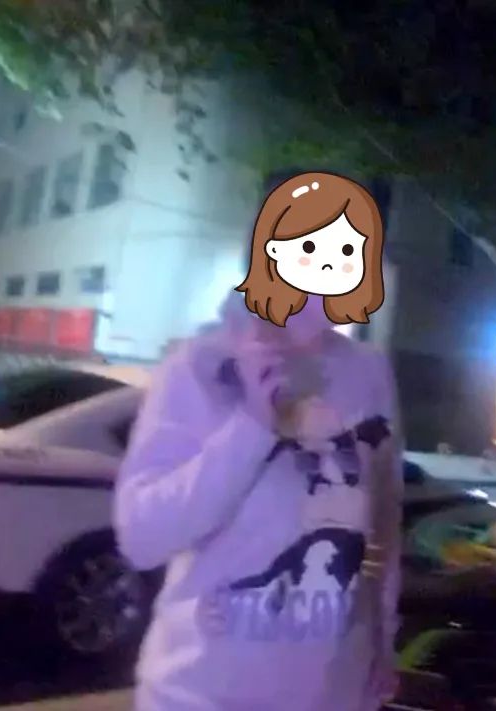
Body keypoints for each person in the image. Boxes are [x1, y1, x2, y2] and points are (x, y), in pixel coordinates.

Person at [114, 173, 402, 711]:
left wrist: (382, 632)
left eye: (349, 248)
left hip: (330, 694)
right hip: (199, 694)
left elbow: (383, 514)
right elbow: (142, 536)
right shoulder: (198, 368)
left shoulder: (367, 373)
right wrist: (252, 424)